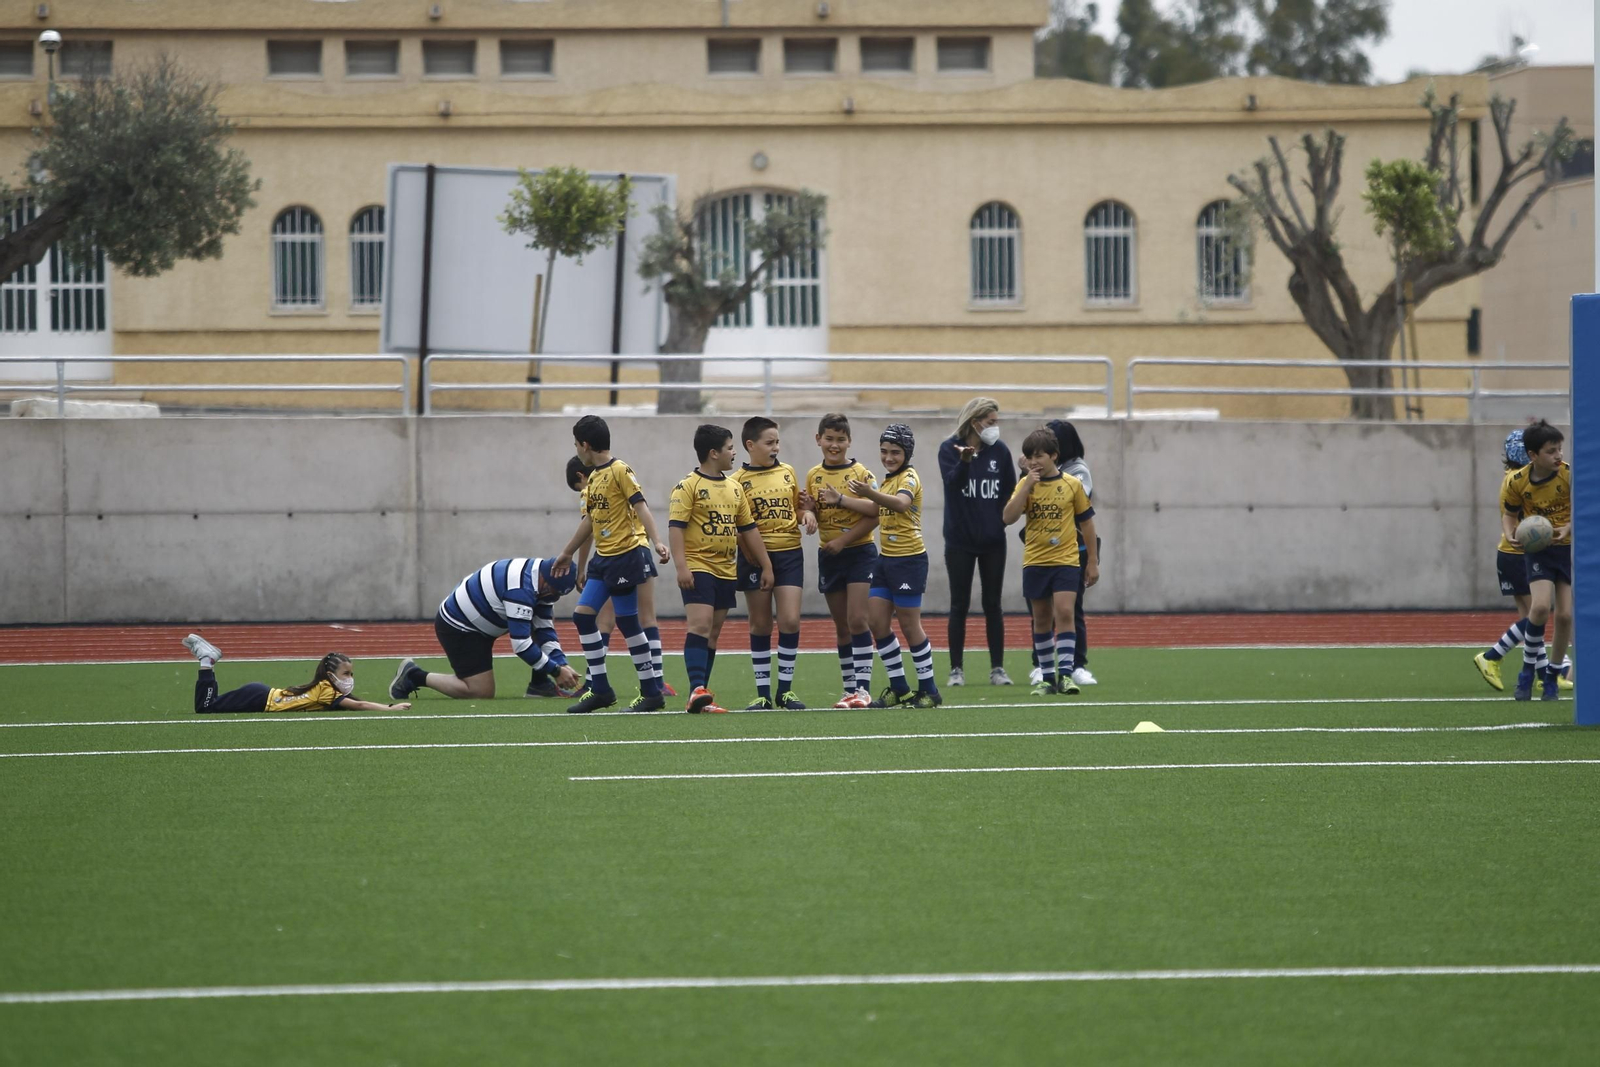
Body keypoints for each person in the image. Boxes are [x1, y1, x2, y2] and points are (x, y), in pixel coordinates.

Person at [553, 414, 672, 714]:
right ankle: (601, 690)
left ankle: (651, 692)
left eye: (576, 444)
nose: (576, 449)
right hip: (603, 558)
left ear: (585, 445)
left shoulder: (620, 470)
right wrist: (567, 553)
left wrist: (657, 541)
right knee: (582, 616)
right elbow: (590, 520)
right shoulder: (593, 478)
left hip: (626, 555)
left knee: (628, 622)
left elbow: (641, 507)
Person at [826, 423, 942, 707]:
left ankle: (929, 690)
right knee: (877, 623)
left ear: (907, 453)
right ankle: (899, 688)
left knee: (909, 625)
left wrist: (869, 492)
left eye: (895, 452)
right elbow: (876, 509)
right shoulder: (889, 479)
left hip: (909, 560)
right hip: (886, 560)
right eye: (884, 451)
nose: (888, 457)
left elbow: (900, 504)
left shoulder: (909, 477)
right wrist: (841, 500)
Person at [669, 424, 774, 714]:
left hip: (726, 569)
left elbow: (749, 529)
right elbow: (676, 528)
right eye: (730, 448)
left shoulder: (734, 488)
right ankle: (696, 690)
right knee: (700, 626)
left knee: (713, 633)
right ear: (713, 453)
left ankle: (700, 696)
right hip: (698, 566)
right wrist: (681, 566)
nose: (734, 452)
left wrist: (766, 565)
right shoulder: (687, 486)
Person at [390, 556, 581, 701]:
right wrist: (556, 671)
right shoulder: (520, 590)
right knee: (480, 691)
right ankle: (414, 676)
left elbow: (545, 630)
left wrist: (561, 663)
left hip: (486, 619)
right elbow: (521, 645)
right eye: (553, 591)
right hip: (461, 626)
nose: (553, 597)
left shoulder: (540, 577)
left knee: (537, 619)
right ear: (546, 580)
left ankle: (540, 685)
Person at [1474, 429, 1573, 693]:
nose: (1558, 455)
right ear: (1531, 454)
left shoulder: (1566, 474)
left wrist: (1568, 527)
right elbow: (1509, 515)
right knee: (1536, 613)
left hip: (1559, 550)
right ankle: (1517, 665)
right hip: (1519, 553)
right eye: (1550, 450)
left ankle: (1545, 672)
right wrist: (1511, 533)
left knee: (1553, 616)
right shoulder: (1515, 480)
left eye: (1558, 449)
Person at [1003, 428, 1098, 697]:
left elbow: (1087, 523)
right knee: (1042, 619)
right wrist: (1026, 486)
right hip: (1035, 561)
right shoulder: (1026, 484)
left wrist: (1093, 561)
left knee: (1065, 612)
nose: (1034, 462)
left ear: (1054, 456)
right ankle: (1047, 677)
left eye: (1039, 456)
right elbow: (1008, 517)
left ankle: (1066, 675)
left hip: (1066, 560)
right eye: (1029, 457)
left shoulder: (1072, 484)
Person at [736, 416, 817, 711]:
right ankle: (762, 694)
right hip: (756, 558)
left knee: (790, 620)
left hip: (789, 553)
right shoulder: (737, 481)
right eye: (769, 442)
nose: (775, 448)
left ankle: (785, 690)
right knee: (760, 623)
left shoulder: (787, 472)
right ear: (750, 445)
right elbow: (735, 525)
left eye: (777, 442)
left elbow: (797, 509)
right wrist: (747, 548)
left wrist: (807, 515)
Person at [938, 397, 1016, 688]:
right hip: (959, 540)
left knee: (992, 604)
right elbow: (952, 484)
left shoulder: (1000, 452)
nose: (995, 427)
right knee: (959, 604)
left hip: (993, 541)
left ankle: (998, 669)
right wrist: (965, 462)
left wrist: (999, 523)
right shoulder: (949, 449)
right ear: (975, 422)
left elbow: (1010, 493)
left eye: (996, 421)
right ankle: (956, 669)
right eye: (991, 422)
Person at [807, 412, 881, 709]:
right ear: (818, 440)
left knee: (858, 620)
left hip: (859, 553)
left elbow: (876, 512)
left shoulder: (860, 473)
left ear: (849, 441)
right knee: (841, 627)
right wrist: (808, 513)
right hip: (829, 555)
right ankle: (849, 689)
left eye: (840, 439)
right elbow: (810, 508)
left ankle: (863, 689)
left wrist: (843, 540)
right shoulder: (814, 475)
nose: (834, 445)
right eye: (829, 439)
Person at [184, 636, 410, 714]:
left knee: (210, 706)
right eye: (346, 673)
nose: (350, 678)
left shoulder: (325, 688)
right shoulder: (327, 691)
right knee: (206, 708)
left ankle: (207, 660)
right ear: (330, 675)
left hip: (260, 695)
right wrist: (389, 708)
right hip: (259, 698)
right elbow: (359, 705)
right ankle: (207, 660)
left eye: (351, 673)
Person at [1048, 418, 1098, 688]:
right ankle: (1041, 664)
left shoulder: (1078, 470)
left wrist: (1093, 561)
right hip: (1044, 548)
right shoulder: (1042, 470)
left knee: (1071, 609)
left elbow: (1071, 501)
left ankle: (1077, 665)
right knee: (1042, 610)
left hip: (1072, 549)